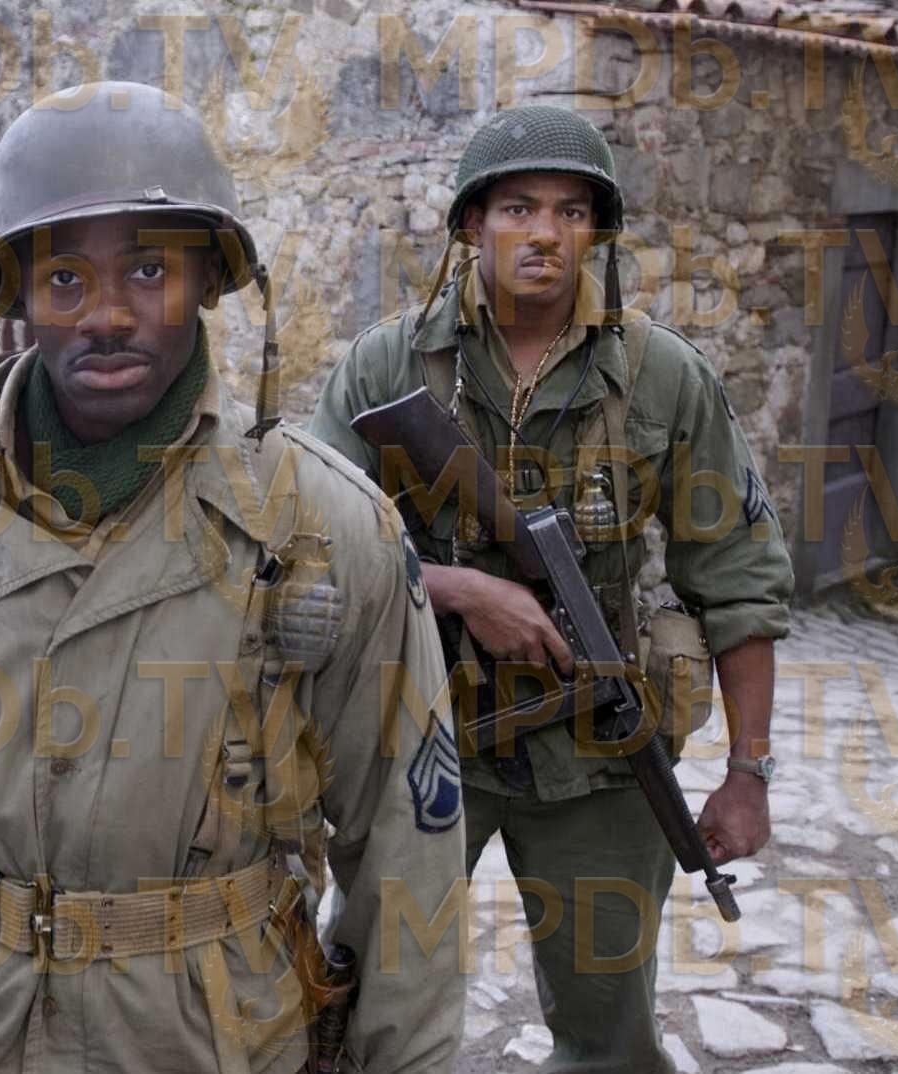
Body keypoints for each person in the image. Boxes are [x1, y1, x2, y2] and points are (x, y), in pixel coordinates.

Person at [0, 82, 464, 1074]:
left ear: (208, 278)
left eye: (148, 270)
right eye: (64, 277)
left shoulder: (326, 524)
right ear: (17, 293)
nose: (107, 315)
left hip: (215, 1046)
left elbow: (406, 843)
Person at [309, 104, 793, 1073]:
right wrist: (456, 588)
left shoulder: (661, 376)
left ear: (595, 233)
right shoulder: (387, 364)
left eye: (571, 212)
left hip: (601, 759)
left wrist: (748, 773)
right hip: (421, 741)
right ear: (471, 224)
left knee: (609, 1034)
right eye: (518, 208)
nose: (544, 234)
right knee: (362, 1004)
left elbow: (738, 579)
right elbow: (311, 544)